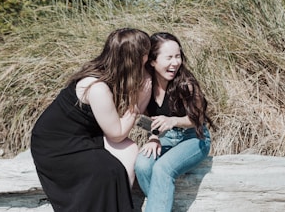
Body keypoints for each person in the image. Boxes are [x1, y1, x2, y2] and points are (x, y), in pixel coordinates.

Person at [30, 28, 151, 212]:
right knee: (107, 172)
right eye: (145, 55)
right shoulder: (96, 87)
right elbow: (117, 134)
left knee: (129, 150)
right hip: (57, 145)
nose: (147, 59)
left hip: (83, 136)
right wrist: (138, 102)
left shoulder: (108, 74)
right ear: (134, 59)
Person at [134, 32, 213, 212]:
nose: (175, 62)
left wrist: (174, 121)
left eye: (178, 56)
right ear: (153, 61)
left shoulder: (187, 83)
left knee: (162, 168)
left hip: (194, 138)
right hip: (166, 138)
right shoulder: (147, 84)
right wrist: (153, 138)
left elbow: (198, 119)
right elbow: (149, 120)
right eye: (169, 57)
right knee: (142, 165)